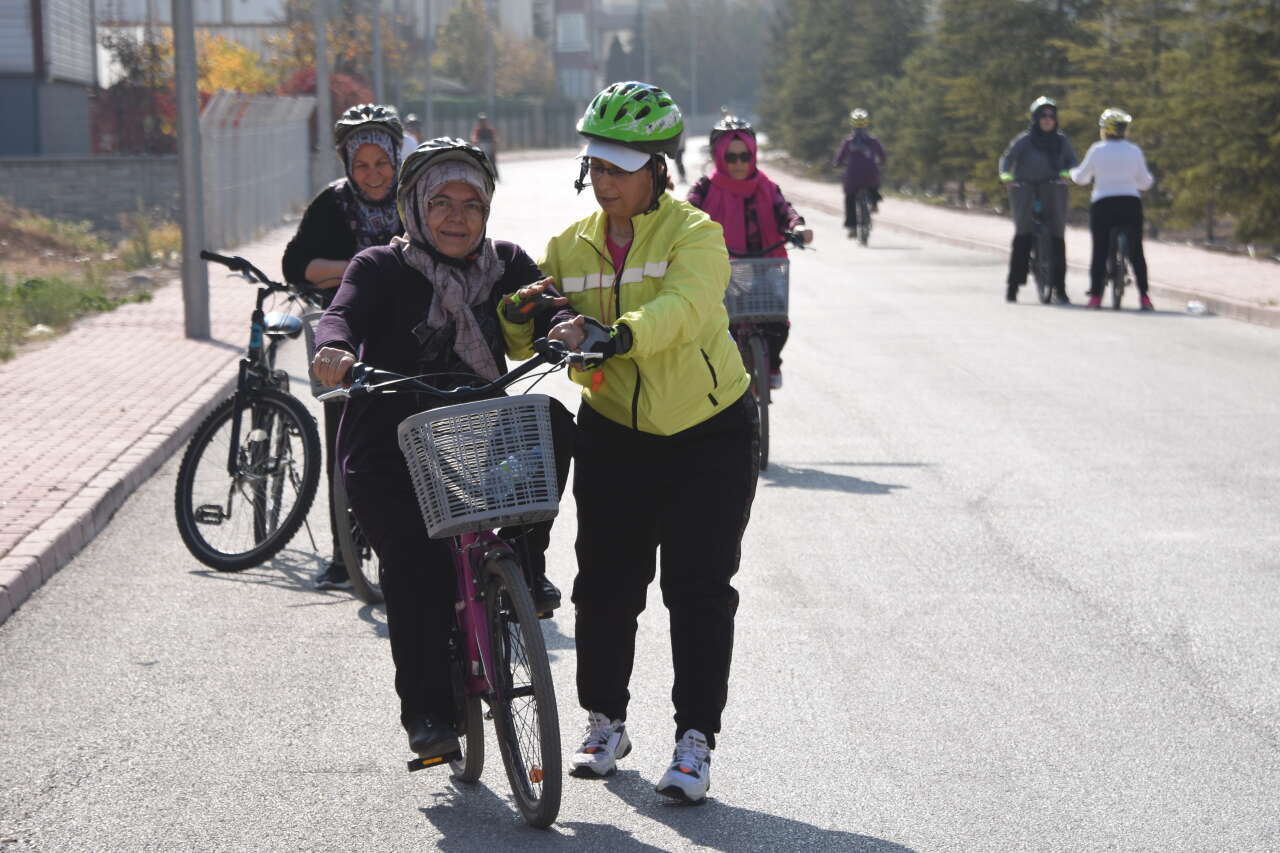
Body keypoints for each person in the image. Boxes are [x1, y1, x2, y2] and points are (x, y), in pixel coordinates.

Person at [502, 81, 757, 805]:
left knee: (698, 589)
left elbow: (685, 307)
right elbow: (525, 335)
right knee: (606, 587)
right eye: (597, 165)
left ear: (657, 168)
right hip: (614, 431)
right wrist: (520, 314)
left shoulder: (694, 233)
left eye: (620, 167)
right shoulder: (569, 245)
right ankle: (604, 724)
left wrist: (618, 334)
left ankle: (694, 740)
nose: (605, 180)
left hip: (708, 430)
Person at [310, 139, 569, 760]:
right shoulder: (379, 265)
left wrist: (565, 327)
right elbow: (341, 314)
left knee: (555, 424)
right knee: (416, 571)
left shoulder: (506, 263)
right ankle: (428, 715)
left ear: (487, 210)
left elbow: (544, 308)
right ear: (414, 207)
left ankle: (523, 563)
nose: (457, 217)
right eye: (441, 202)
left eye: (471, 203)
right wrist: (334, 350)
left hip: (474, 432)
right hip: (389, 445)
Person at [282, 103, 404, 591]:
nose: (373, 175)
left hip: (407, 333)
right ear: (347, 166)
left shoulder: (416, 197)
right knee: (344, 445)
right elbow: (297, 265)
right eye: (362, 165)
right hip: (344, 335)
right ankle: (343, 554)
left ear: (396, 159)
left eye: (382, 163)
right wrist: (362, 266)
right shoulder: (331, 205)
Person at [687, 116, 812, 390]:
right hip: (723, 271)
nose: (739, 164)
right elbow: (686, 213)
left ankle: (772, 364)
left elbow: (785, 210)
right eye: (731, 157)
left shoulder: (767, 187)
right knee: (719, 330)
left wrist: (798, 227)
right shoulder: (705, 188)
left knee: (777, 324)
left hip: (765, 266)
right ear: (718, 157)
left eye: (745, 156)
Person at [1070, 108, 1155, 310]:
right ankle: (1144, 297)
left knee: (1099, 250)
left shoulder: (1097, 150)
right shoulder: (1134, 151)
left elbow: (1081, 178)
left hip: (1103, 204)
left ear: (1104, 130)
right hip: (1130, 203)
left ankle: (1095, 297)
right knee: (1136, 252)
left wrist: (1072, 173)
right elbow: (1145, 183)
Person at [999, 96, 1078, 304]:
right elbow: (1007, 159)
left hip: (1053, 188)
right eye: (1043, 115)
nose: (1047, 119)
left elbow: (1072, 161)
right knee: (1023, 234)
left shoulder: (1061, 141)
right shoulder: (1024, 140)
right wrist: (1006, 176)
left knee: (1057, 235)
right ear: (1035, 118)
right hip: (1025, 188)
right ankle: (1013, 286)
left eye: (1051, 116)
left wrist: (1067, 173)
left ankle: (1060, 289)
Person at [832, 108, 885, 239]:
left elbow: (839, 158)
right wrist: (881, 162)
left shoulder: (848, 141)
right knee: (874, 183)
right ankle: (874, 203)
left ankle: (852, 227)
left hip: (853, 177)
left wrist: (837, 164)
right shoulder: (873, 141)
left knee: (850, 199)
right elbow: (882, 156)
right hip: (870, 175)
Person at [470, 113, 498, 179]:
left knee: (493, 162)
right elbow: (474, 137)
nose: (482, 122)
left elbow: (494, 138)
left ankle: (496, 176)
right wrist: (475, 141)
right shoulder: (478, 130)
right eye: (481, 121)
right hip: (481, 148)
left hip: (489, 147)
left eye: (484, 120)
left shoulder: (489, 129)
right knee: (480, 162)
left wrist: (494, 145)